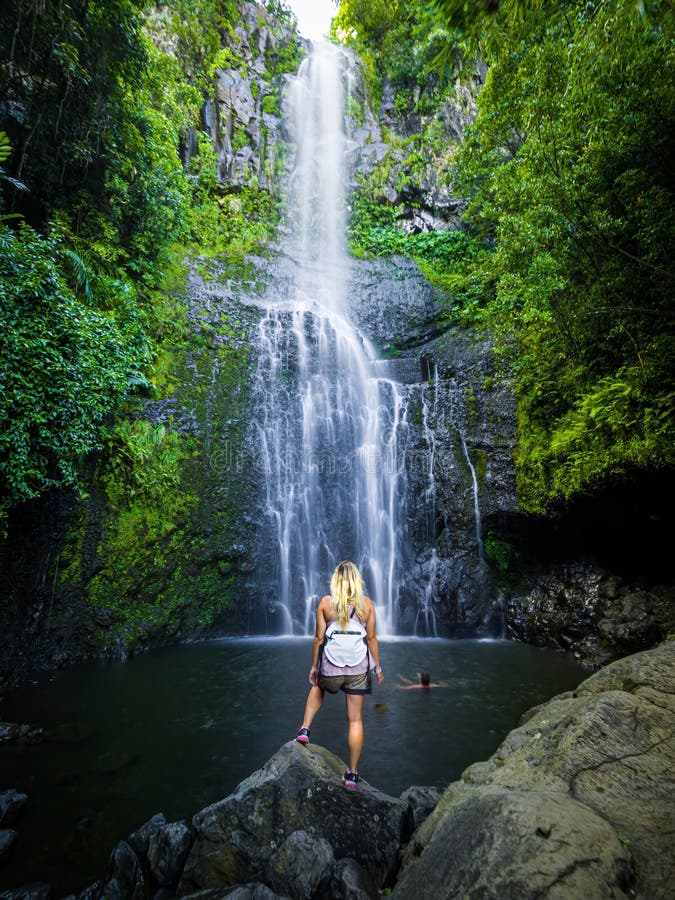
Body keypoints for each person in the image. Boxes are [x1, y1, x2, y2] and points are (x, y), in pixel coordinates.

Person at [295, 560, 384, 788]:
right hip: (358, 668)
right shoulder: (366, 605)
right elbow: (372, 638)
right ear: (357, 581)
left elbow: (318, 638)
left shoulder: (326, 603)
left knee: (318, 687)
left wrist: (314, 667)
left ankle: (305, 728)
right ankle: (352, 774)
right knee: (355, 720)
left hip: (332, 666)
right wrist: (378, 667)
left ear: (336, 581)